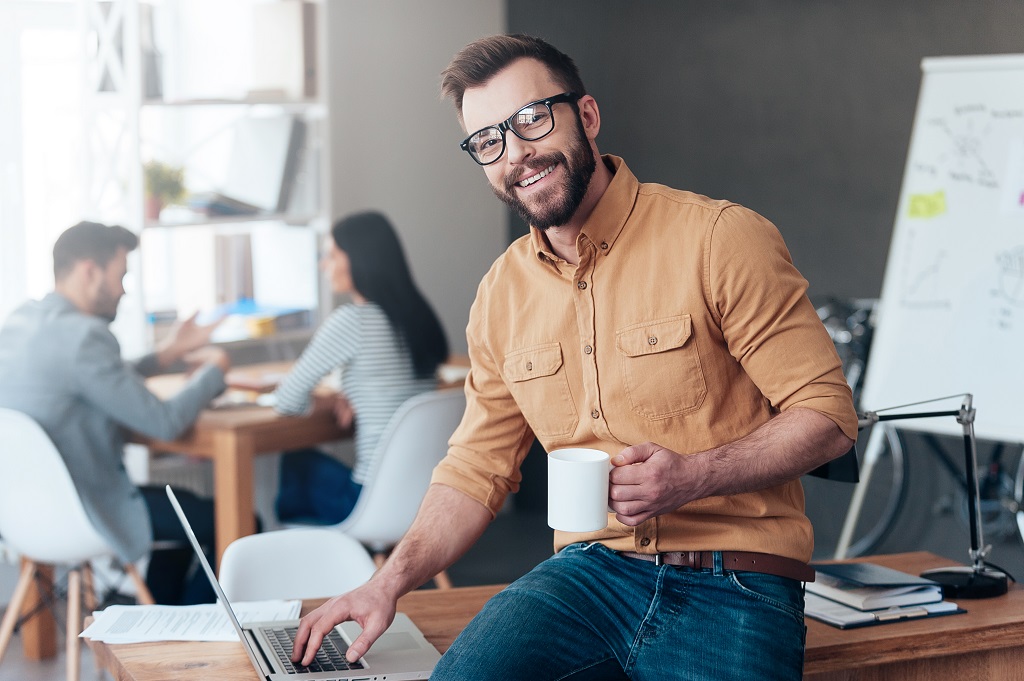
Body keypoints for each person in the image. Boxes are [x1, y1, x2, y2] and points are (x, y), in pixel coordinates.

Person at [292, 35, 858, 680]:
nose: (517, 153)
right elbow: (476, 467)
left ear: (586, 116)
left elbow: (829, 418)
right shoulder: (500, 294)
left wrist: (694, 476)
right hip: (586, 576)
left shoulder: (719, 239)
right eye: (488, 142)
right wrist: (385, 583)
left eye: (531, 118)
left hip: (733, 578)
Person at [0, 220, 231, 605]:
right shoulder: (85, 337)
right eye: (120, 275)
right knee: (233, 521)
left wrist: (165, 355)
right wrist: (216, 370)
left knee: (184, 517)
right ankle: (185, 638)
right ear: (90, 271)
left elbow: (95, 380)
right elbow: (165, 422)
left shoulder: (21, 322)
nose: (124, 290)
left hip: (21, 517)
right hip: (86, 511)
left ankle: (157, 621)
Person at [272, 211, 448, 525]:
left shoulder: (352, 321)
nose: (323, 264)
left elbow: (287, 400)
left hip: (366, 503)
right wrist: (348, 396)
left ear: (358, 258)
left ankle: (317, 558)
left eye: (331, 255)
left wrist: (330, 400)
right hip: (424, 499)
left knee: (296, 461)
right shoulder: (420, 317)